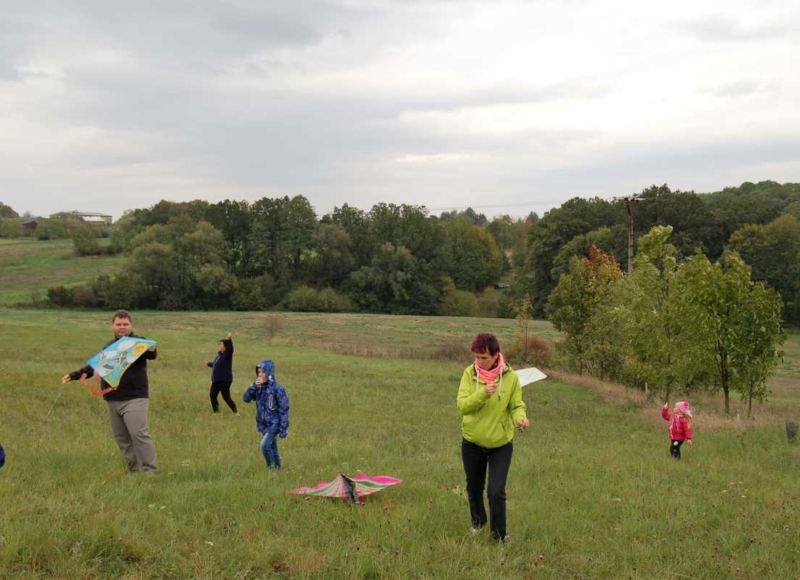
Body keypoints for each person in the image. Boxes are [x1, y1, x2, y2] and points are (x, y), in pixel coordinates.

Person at [62, 310, 159, 474]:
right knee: (122, 438)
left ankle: (151, 471)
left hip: (134, 398)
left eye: (125, 324)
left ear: (131, 325)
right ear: (112, 326)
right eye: (118, 324)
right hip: (112, 399)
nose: (122, 327)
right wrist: (73, 376)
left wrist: (151, 349)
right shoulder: (109, 347)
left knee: (138, 434)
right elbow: (96, 367)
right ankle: (135, 470)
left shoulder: (138, 343)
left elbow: (151, 353)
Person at [457, 332, 529, 543]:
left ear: (496, 355)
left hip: (500, 444)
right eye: (476, 357)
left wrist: (521, 418)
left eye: (484, 358)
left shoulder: (511, 377)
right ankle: (478, 522)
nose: (479, 362)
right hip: (472, 442)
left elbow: (516, 406)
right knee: (474, 486)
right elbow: (462, 407)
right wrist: (483, 393)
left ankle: (498, 536)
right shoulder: (469, 374)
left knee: (496, 491)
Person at [242, 360, 290, 470]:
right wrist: (253, 386)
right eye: (259, 372)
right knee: (273, 447)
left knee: (264, 446)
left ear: (269, 373)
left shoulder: (278, 389)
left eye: (263, 372)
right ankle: (278, 470)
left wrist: (284, 428)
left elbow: (284, 410)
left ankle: (271, 468)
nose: (260, 374)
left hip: (274, 424)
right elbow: (246, 398)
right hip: (263, 423)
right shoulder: (257, 388)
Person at [205, 332, 238, 415]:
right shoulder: (219, 355)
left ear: (225, 346)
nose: (220, 346)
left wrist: (229, 339)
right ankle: (216, 412)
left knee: (226, 397)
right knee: (212, 395)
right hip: (216, 380)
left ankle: (236, 412)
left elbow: (231, 349)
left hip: (225, 380)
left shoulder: (227, 355)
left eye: (221, 344)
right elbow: (215, 365)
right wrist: (208, 363)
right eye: (219, 344)